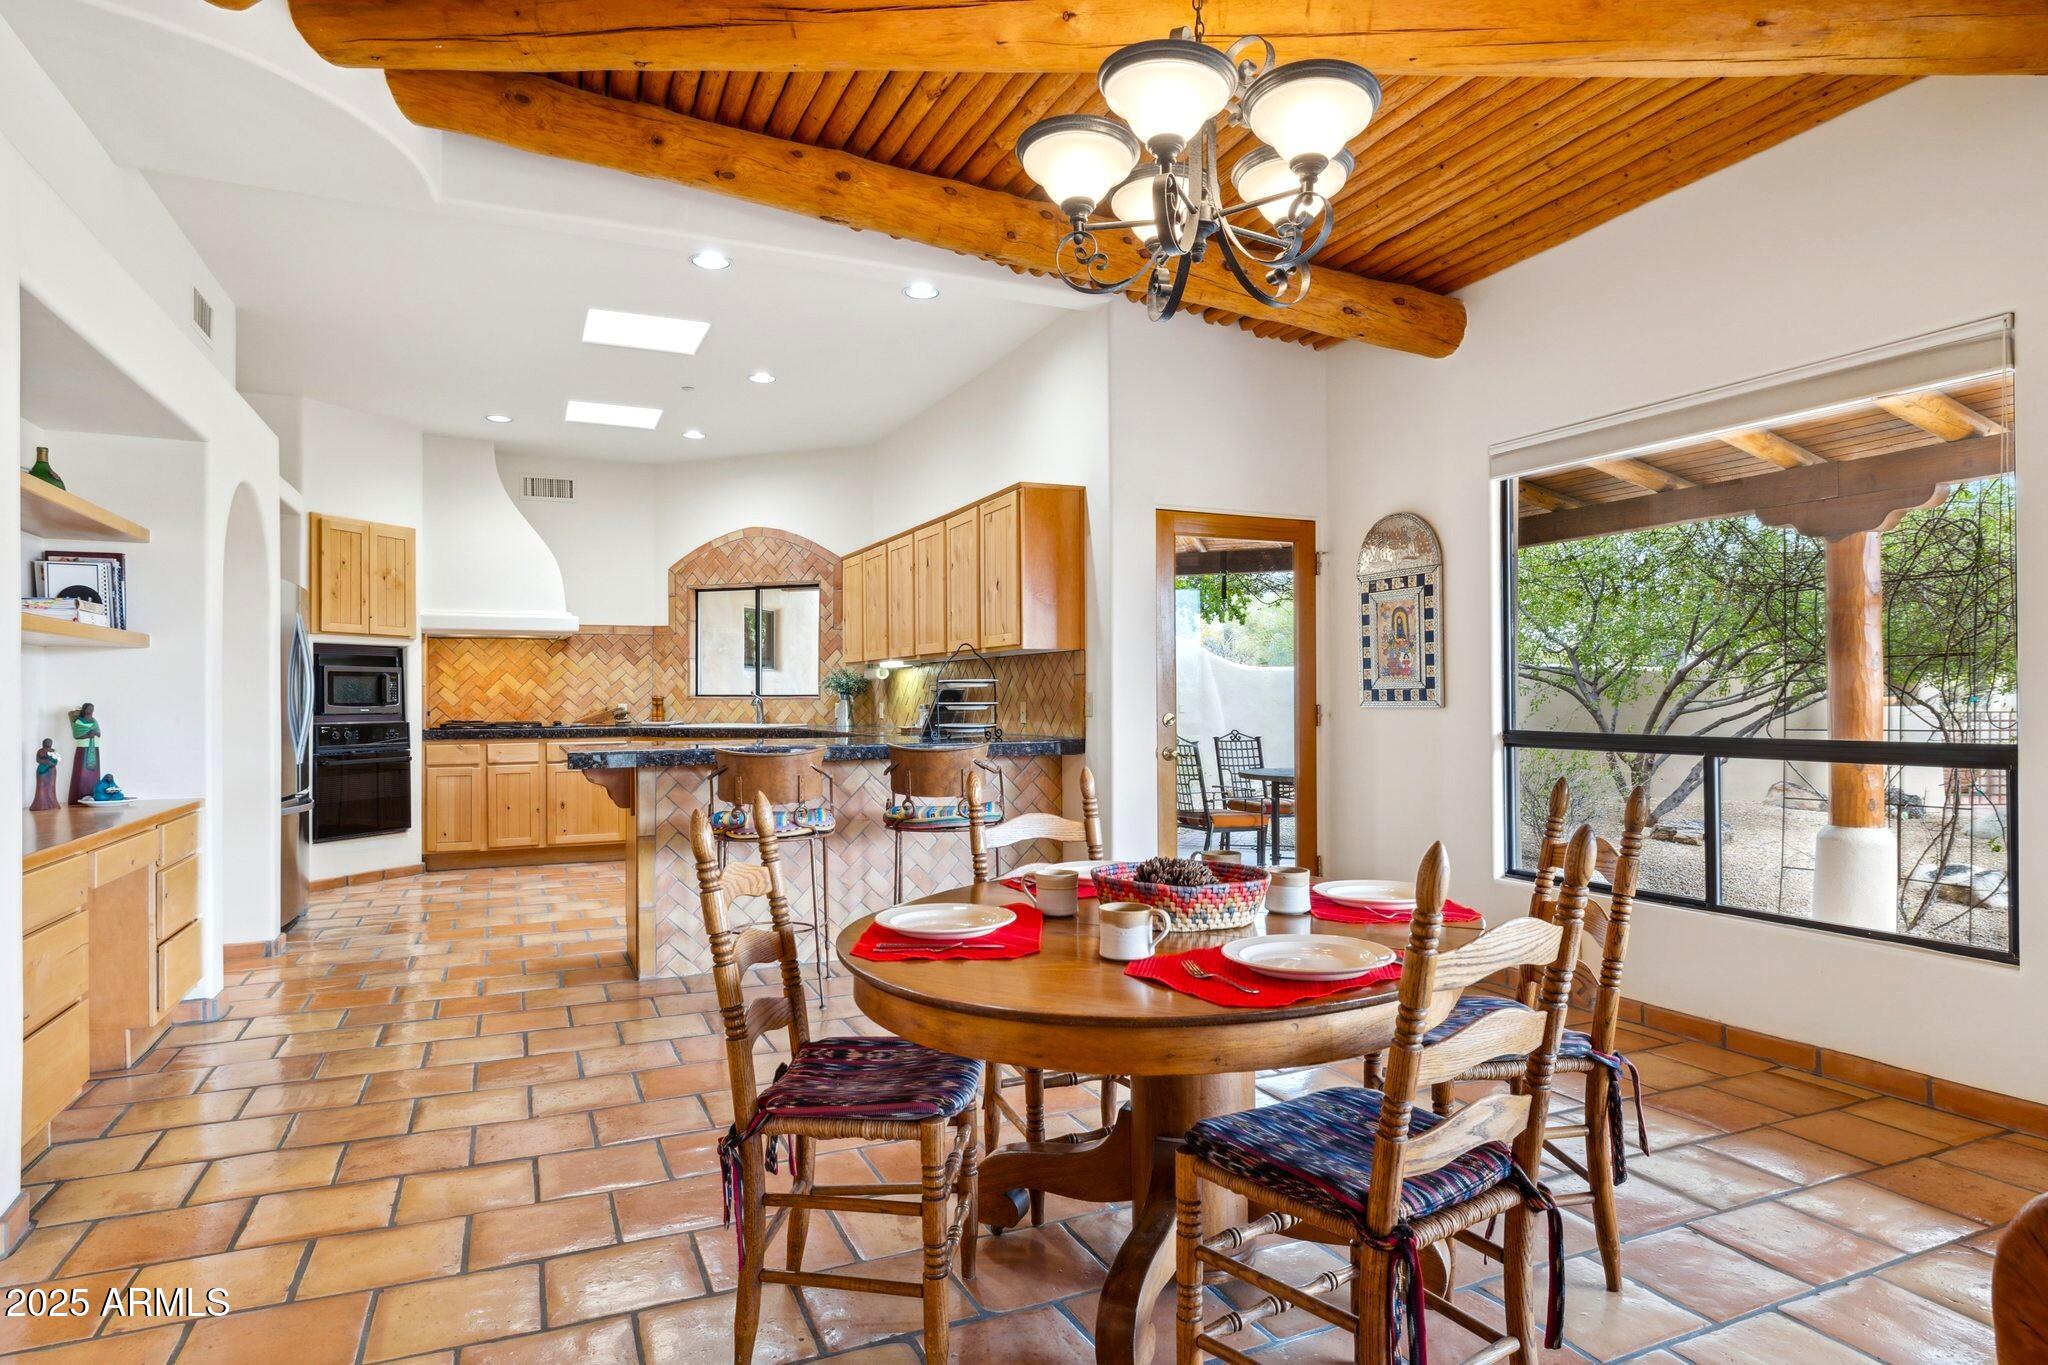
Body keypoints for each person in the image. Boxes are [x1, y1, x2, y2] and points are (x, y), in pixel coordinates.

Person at [68, 702, 101, 805]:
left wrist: (93, 733)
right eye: (89, 708)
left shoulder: (94, 721)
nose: (91, 710)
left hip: (94, 748)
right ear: (84, 709)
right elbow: (76, 735)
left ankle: (93, 795)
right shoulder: (79, 721)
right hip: (83, 748)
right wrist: (88, 735)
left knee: (93, 773)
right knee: (81, 772)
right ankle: (78, 796)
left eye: (93, 708)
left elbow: (98, 733)